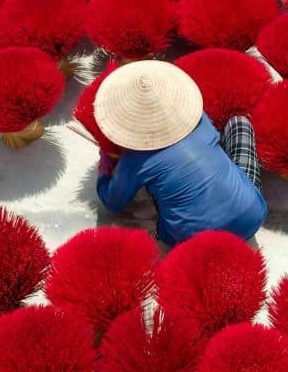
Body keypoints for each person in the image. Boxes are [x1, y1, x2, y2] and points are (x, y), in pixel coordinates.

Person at [93, 60, 267, 246]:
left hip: (192, 241)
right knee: (239, 124)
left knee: (154, 191)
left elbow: (112, 202)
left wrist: (105, 164)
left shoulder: (135, 159)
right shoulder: (199, 118)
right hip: (251, 216)